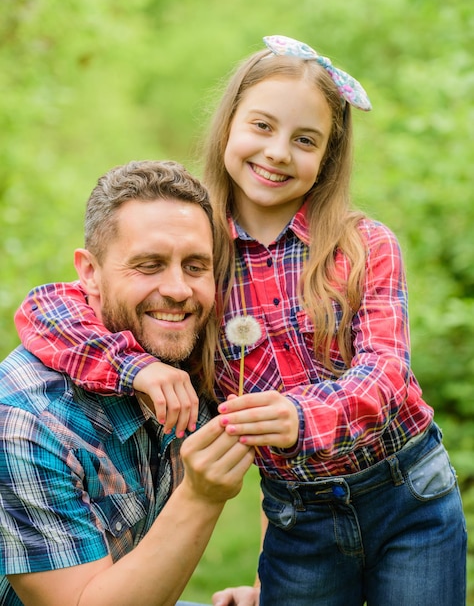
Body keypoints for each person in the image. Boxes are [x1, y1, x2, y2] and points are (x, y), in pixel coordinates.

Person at [14, 36, 467, 606]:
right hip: (298, 518)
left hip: (409, 495)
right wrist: (137, 369)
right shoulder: (203, 255)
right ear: (228, 126)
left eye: (305, 140)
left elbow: (387, 371)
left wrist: (302, 414)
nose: (278, 152)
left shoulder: (361, 245)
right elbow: (48, 310)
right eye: (262, 127)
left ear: (327, 157)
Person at [0, 159, 255, 606]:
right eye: (150, 264)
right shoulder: (27, 420)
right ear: (90, 273)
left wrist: (265, 585)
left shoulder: (201, 364)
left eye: (195, 266)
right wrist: (201, 496)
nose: (178, 289)